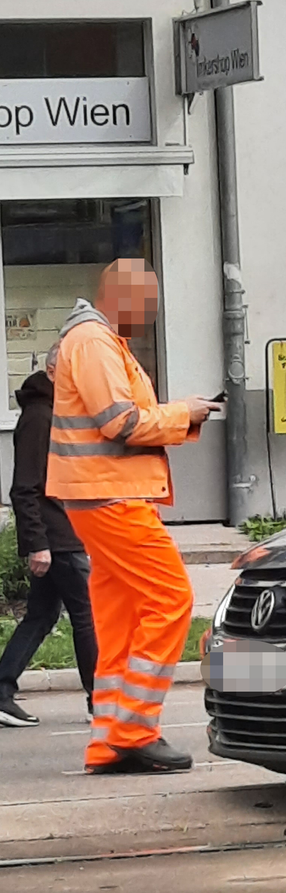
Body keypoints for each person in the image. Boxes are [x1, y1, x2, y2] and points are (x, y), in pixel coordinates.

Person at [45, 259, 221, 774]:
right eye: (145, 301)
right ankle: (134, 730)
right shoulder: (96, 342)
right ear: (116, 296)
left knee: (119, 614)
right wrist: (183, 413)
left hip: (95, 497)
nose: (150, 311)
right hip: (110, 497)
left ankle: (109, 740)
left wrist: (178, 414)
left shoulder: (96, 340)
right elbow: (120, 422)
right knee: (171, 598)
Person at [0, 343, 97, 727]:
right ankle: (100, 699)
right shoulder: (40, 416)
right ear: (56, 372)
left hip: (63, 531)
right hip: (58, 536)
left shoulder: (56, 411)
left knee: (41, 616)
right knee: (88, 615)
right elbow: (24, 487)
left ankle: (2, 690)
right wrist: (37, 543)